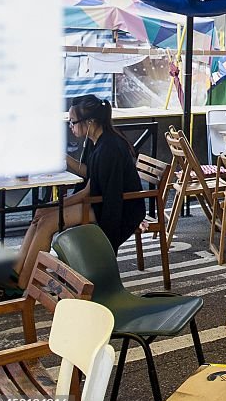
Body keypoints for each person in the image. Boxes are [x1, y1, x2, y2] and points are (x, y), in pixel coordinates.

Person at [9, 95, 143, 291]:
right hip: (98, 199)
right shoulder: (97, 139)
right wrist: (63, 158)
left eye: (73, 122)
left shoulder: (110, 147)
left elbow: (91, 189)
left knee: (46, 222)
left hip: (114, 207)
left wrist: (61, 204)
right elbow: (91, 173)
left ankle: (25, 285)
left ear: (90, 122)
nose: (70, 126)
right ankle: (15, 275)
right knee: (40, 214)